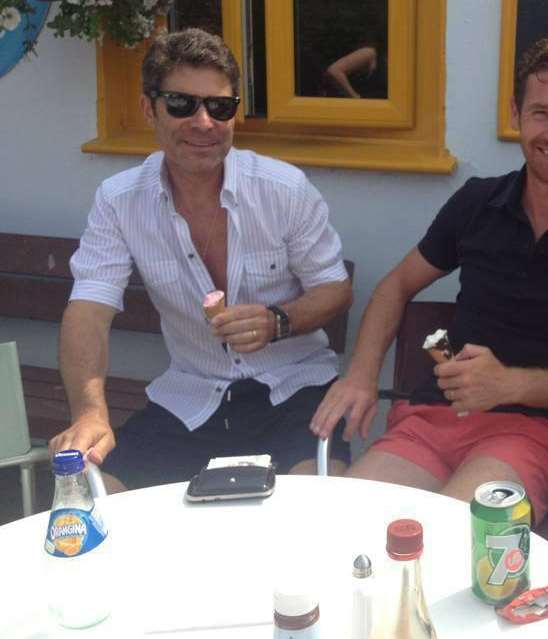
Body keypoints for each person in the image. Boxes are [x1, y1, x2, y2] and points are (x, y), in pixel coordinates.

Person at [311, 32, 548, 523]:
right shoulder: (478, 202)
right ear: (517, 113)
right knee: (343, 527)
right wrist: (361, 374)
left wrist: (508, 383)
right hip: (432, 420)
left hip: (530, 432)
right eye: (542, 113)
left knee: (456, 543)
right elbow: (397, 285)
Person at [48, 29, 353, 491]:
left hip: (294, 388)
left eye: (220, 106)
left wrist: (278, 321)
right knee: (99, 498)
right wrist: (90, 414)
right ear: (149, 108)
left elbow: (335, 290)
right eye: (181, 104)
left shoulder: (283, 189)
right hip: (193, 394)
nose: (204, 122)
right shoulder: (118, 200)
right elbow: (88, 312)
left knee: (313, 506)